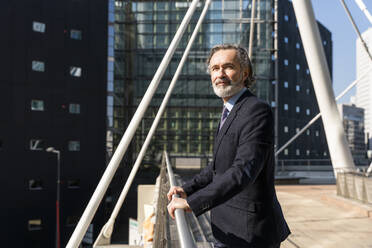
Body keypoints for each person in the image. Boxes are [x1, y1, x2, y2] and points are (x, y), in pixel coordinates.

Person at [167, 44, 290, 248]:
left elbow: (243, 170)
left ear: (245, 73)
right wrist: (187, 189)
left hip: (250, 234)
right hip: (227, 229)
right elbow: (218, 166)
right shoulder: (229, 110)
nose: (220, 74)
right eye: (215, 68)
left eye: (228, 67)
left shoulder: (256, 110)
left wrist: (192, 203)